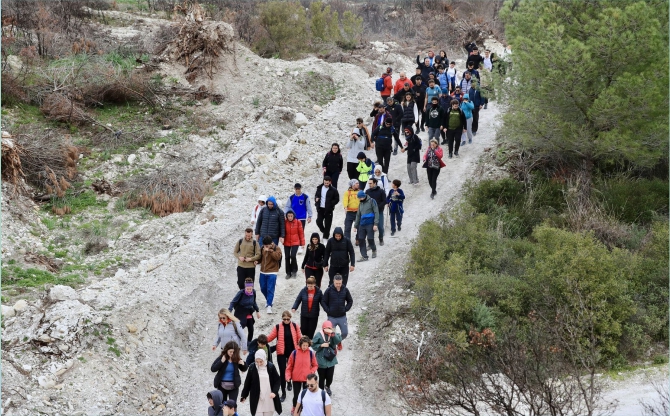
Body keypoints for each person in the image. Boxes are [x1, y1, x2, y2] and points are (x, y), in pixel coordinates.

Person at [267, 311, 302, 402]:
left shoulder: (295, 326)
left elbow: (300, 338)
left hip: (292, 352)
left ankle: (289, 382)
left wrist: (299, 348)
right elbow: (270, 337)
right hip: (281, 352)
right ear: (282, 319)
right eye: (284, 319)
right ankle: (283, 393)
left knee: (291, 370)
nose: (286, 321)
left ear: (290, 318)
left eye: (288, 319)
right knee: (282, 373)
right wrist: (260, 341)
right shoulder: (278, 327)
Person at [240, 349, 283, 416]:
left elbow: (277, 380)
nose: (259, 364)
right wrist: (244, 395)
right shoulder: (252, 367)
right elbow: (247, 383)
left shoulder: (271, 367)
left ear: (264, 358)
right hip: (257, 398)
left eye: (261, 361)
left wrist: (274, 392)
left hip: (269, 398)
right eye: (257, 362)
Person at [286, 337, 319, 415]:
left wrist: (311, 372)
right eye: (303, 345)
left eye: (306, 345)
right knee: (296, 395)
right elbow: (289, 366)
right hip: (296, 379)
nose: (305, 347)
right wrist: (288, 376)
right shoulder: (294, 353)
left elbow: (315, 365)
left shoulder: (311, 353)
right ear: (300, 344)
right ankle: (294, 407)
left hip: (307, 379)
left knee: (306, 395)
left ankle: (304, 408)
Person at [320, 274, 352, 350]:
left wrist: (345, 309)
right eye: (336, 283)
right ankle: (334, 345)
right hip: (332, 317)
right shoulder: (329, 290)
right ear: (333, 281)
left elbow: (350, 301)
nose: (338, 285)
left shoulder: (345, 290)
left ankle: (339, 341)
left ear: (342, 282)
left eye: (340, 283)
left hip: (342, 316)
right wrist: (328, 310)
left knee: (345, 333)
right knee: (331, 334)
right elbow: (323, 301)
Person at [312, 321, 342, 397]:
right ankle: (321, 391)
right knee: (322, 377)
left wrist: (332, 334)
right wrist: (321, 345)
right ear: (323, 328)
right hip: (320, 359)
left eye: (329, 328)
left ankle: (328, 386)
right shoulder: (318, 335)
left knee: (330, 377)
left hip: (331, 359)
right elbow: (313, 345)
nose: (328, 329)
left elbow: (338, 340)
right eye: (326, 328)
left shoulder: (333, 334)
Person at [230, 278, 261, 342]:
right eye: (248, 289)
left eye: (250, 289)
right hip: (240, 312)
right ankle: (236, 340)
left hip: (248, 312)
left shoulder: (254, 292)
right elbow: (233, 302)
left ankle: (249, 343)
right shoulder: (241, 293)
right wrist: (229, 310)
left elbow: (254, 302)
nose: (249, 290)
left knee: (251, 329)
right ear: (245, 287)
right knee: (239, 328)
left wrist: (257, 311)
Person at [285, 184, 312, 253]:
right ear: (294, 189)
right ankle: (295, 244)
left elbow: (308, 206)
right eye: (296, 189)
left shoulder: (305, 197)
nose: (298, 190)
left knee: (301, 231)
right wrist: (286, 215)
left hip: (302, 218)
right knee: (294, 232)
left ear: (301, 189)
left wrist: (310, 216)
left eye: (299, 189)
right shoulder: (291, 197)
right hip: (293, 218)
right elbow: (287, 206)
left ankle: (301, 246)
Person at [258, 235, 282, 314]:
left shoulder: (276, 248)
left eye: (267, 245)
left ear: (271, 243)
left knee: (270, 289)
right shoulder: (262, 248)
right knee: (262, 288)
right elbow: (260, 258)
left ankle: (269, 305)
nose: (265, 247)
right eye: (264, 245)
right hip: (263, 271)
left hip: (272, 272)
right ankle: (269, 300)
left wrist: (270, 251)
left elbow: (277, 257)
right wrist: (257, 261)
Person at [353, 190, 378, 261]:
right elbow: (358, 215)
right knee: (361, 239)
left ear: (364, 196)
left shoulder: (372, 201)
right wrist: (355, 226)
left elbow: (376, 212)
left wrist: (375, 224)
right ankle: (364, 256)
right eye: (359, 198)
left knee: (370, 238)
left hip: (370, 223)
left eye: (361, 198)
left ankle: (373, 250)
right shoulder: (360, 204)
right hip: (362, 224)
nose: (360, 199)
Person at [314, 176, 340, 241]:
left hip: (329, 209)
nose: (326, 184)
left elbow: (337, 199)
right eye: (325, 183)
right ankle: (325, 232)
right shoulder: (319, 188)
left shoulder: (333, 190)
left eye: (327, 183)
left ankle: (325, 237)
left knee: (328, 224)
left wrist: (331, 203)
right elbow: (316, 195)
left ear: (330, 182)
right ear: (323, 181)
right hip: (320, 208)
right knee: (318, 221)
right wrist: (316, 199)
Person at [365, 177, 387, 246]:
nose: (369, 185)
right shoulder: (367, 191)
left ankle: (381, 238)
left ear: (375, 183)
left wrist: (378, 207)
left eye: (371, 183)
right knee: (370, 228)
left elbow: (384, 201)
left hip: (379, 211)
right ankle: (370, 243)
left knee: (380, 227)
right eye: (369, 183)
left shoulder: (381, 191)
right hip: (370, 213)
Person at [284, 209, 305, 279]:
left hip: (295, 242)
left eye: (291, 216)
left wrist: (302, 243)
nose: (290, 217)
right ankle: (288, 272)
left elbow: (301, 233)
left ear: (293, 216)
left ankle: (294, 270)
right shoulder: (285, 222)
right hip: (286, 241)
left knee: (293, 256)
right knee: (287, 257)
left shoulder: (298, 222)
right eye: (288, 216)